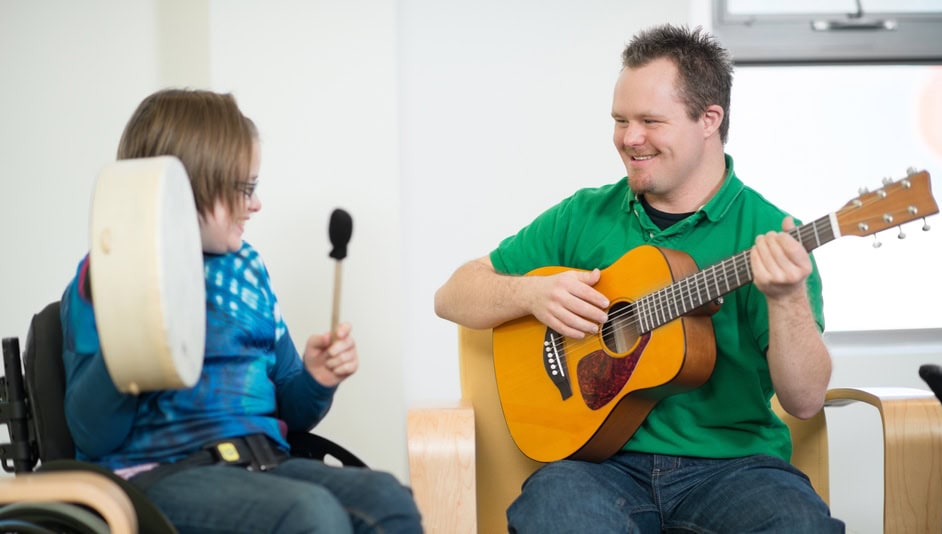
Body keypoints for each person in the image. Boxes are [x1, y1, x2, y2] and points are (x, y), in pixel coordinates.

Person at [434, 24, 844, 533]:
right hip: (597, 468)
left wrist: (786, 300)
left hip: (735, 469)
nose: (630, 138)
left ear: (708, 119)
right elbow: (452, 295)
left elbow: (804, 402)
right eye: (620, 120)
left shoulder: (770, 235)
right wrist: (532, 292)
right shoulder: (584, 215)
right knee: (552, 513)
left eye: (651, 120)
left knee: (798, 525)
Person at [62, 89, 422, 534]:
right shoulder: (107, 274)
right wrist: (131, 345)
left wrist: (315, 380)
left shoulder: (247, 268)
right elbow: (92, 435)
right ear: (190, 187)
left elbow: (289, 410)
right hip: (159, 477)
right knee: (309, 515)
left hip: (264, 463)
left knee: (388, 501)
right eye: (245, 189)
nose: (256, 204)